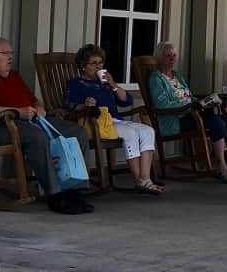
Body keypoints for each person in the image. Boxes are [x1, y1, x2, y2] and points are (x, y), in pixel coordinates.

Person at [0, 37, 92, 214]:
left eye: (11, 53)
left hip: (32, 122)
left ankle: (76, 190)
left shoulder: (14, 76)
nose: (10, 57)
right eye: (5, 53)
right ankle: (55, 195)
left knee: (77, 131)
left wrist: (39, 108)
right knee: (36, 136)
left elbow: (33, 101)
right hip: (1, 127)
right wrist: (17, 111)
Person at [146, 41, 227, 184]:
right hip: (175, 118)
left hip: (192, 114)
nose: (172, 59)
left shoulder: (177, 76)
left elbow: (188, 95)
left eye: (174, 55)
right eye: (168, 56)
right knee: (217, 123)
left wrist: (205, 101)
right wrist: (189, 104)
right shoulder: (156, 78)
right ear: (160, 57)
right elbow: (161, 104)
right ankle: (222, 167)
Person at [65, 43, 163, 195]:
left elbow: (127, 101)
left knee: (148, 131)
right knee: (131, 134)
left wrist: (113, 84)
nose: (98, 66)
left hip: (115, 121)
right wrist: (84, 105)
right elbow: (70, 106)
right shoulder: (75, 84)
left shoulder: (105, 84)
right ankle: (139, 181)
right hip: (97, 123)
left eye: (101, 63)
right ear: (83, 66)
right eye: (94, 63)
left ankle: (146, 179)